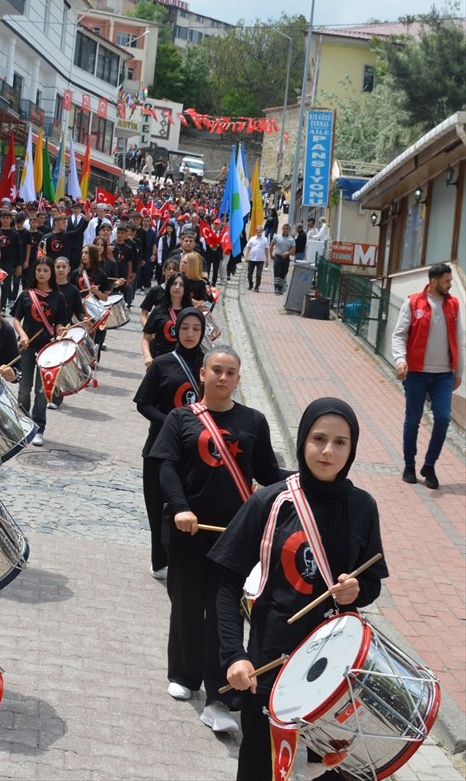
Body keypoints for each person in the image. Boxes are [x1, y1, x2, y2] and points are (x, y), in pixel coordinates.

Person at [211, 398, 388, 781]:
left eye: (341, 442)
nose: (328, 451)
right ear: (302, 439)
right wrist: (234, 655)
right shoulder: (271, 500)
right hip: (271, 667)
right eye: (319, 438)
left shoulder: (363, 506)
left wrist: (356, 591)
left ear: (352, 448)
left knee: (333, 772)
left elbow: (372, 583)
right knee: (261, 769)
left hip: (336, 670)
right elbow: (226, 584)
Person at [150, 345, 284, 734]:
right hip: (189, 532)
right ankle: (185, 674)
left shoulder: (254, 421)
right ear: (203, 374)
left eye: (230, 373)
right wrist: (179, 507)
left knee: (223, 615)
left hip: (237, 536)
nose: (223, 378)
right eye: (217, 371)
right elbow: (168, 467)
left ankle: (221, 695)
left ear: (238, 379)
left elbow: (268, 473)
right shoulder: (179, 419)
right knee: (187, 605)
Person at [134, 307, 205, 580]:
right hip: (159, 447)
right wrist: (172, 424)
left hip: (194, 450)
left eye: (196, 329)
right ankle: (159, 558)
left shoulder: (208, 365)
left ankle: (182, 557)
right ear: (177, 331)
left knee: (187, 505)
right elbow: (144, 403)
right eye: (185, 328)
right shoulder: (163, 363)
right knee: (157, 506)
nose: (189, 334)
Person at [392, 263, 462, 489]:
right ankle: (409, 465)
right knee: (413, 420)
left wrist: (458, 372)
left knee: (442, 419)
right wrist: (400, 360)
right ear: (433, 282)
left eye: (450, 281)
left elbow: (459, 339)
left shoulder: (453, 304)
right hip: (416, 373)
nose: (450, 285)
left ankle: (429, 465)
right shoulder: (413, 302)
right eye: (446, 281)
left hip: (443, 375)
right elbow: (399, 335)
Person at [11, 256, 71, 445]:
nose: (42, 274)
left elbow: (60, 322)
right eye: (39, 270)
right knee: (24, 388)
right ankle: (22, 423)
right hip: (27, 347)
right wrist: (22, 335)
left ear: (51, 272)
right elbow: (15, 320)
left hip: (48, 350)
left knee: (41, 391)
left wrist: (61, 330)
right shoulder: (27, 294)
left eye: (45, 270)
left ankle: (38, 428)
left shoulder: (58, 296)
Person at [141, 273, 190, 365]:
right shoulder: (158, 310)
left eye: (181, 285)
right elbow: (146, 338)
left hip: (180, 361)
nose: (177, 287)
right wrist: (147, 356)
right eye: (174, 284)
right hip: (159, 360)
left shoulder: (189, 313)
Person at [270, 223, 295, 295]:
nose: (285, 230)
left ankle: (280, 287)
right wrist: (271, 254)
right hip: (278, 257)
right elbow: (271, 245)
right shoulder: (277, 237)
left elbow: (293, 250)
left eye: (287, 229)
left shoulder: (291, 239)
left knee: (283, 273)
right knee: (277, 272)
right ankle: (276, 288)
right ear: (282, 229)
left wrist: (287, 253)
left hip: (286, 258)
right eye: (284, 228)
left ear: (289, 230)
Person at [245, 226, 269, 292]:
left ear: (262, 231)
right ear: (256, 231)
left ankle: (257, 287)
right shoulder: (252, 239)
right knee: (250, 273)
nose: (258, 232)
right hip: (252, 259)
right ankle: (250, 285)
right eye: (257, 230)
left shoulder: (265, 239)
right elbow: (248, 248)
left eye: (260, 230)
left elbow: (266, 249)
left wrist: (267, 259)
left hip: (260, 259)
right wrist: (246, 256)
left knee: (259, 274)